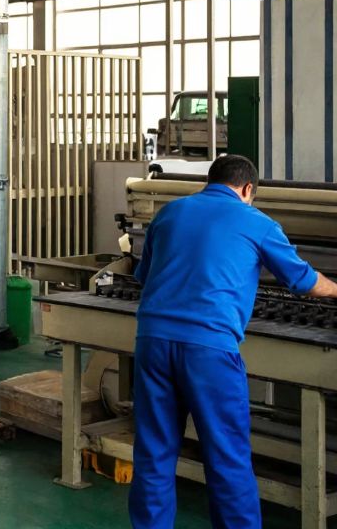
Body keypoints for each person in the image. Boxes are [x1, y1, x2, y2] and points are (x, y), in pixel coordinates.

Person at [128, 155, 337, 529]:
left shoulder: (168, 213)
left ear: (210, 182)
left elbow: (145, 275)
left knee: (154, 454)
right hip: (209, 350)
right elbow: (304, 281)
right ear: (247, 190)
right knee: (227, 459)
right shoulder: (257, 222)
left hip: (153, 342)